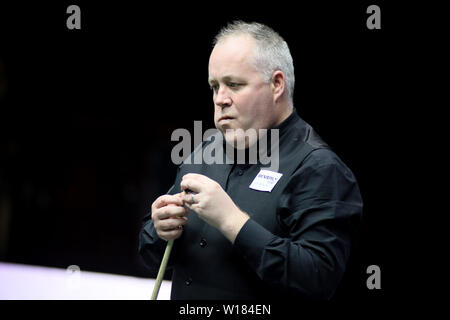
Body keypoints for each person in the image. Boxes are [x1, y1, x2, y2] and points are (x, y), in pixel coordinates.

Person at [139, 21, 362, 300]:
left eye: (234, 85)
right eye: (214, 86)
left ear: (276, 84)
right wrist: (159, 230)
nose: (220, 99)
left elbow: (317, 280)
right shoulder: (205, 151)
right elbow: (149, 256)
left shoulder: (320, 168)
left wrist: (232, 221)